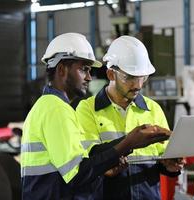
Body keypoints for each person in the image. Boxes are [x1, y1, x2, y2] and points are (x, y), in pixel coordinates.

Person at [20, 32, 171, 200]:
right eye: (84, 69)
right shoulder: (56, 109)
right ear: (62, 69)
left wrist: (122, 149)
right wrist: (129, 142)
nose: (89, 77)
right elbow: (77, 173)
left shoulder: (50, 106)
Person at [76, 35, 184, 200]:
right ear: (111, 74)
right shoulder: (88, 109)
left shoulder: (153, 109)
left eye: (143, 77)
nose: (138, 85)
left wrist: (171, 166)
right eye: (130, 77)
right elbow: (87, 161)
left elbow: (163, 156)